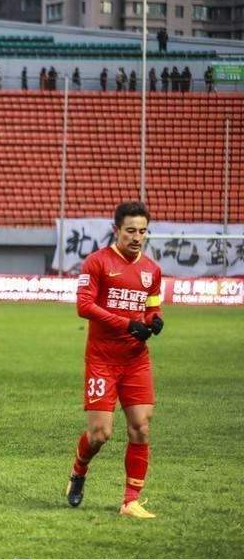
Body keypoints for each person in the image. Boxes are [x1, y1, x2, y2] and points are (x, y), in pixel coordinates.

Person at [66, 202, 164, 519]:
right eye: (131, 230)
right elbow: (84, 306)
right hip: (102, 360)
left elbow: (152, 306)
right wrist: (126, 323)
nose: (137, 237)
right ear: (116, 230)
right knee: (100, 435)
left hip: (136, 360)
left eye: (142, 231)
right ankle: (79, 470)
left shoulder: (152, 270)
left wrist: (155, 319)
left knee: (141, 427)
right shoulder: (97, 263)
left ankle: (130, 501)